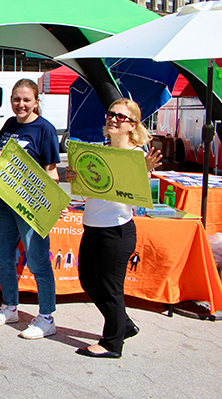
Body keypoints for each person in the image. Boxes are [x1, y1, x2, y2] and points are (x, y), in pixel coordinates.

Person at [66, 99, 162, 358]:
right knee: (88, 281)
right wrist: (78, 180)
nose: (113, 119)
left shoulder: (138, 157)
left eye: (121, 117)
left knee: (110, 289)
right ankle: (125, 325)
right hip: (93, 226)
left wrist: (143, 174)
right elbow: (89, 196)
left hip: (116, 231)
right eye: (111, 114)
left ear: (132, 125)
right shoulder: (99, 152)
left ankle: (112, 343)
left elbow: (137, 201)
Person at [0, 78, 60, 340]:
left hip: (32, 207)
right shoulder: (10, 124)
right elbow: (0, 154)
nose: (21, 104)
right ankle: (9, 308)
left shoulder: (45, 130)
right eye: (17, 99)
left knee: (39, 262)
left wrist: (51, 202)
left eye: (27, 99)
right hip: (6, 201)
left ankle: (47, 316)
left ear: (36, 101)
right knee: (4, 257)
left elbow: (53, 174)